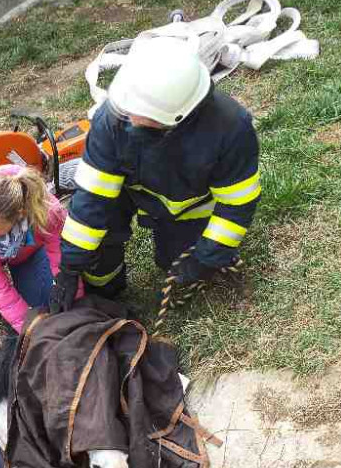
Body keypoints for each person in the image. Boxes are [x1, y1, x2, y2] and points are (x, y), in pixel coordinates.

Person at [49, 36, 261, 313]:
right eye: (128, 109)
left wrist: (206, 257)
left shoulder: (231, 130)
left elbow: (237, 204)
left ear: (179, 116)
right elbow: (92, 197)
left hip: (187, 207)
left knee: (174, 264)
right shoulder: (112, 118)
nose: (130, 119)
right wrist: (70, 266)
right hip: (125, 193)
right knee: (98, 257)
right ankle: (107, 288)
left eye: (143, 115)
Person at [0, 164, 77, 333]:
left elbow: (62, 258)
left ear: (20, 215)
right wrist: (27, 330)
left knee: (41, 301)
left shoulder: (48, 213)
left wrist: (75, 302)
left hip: (26, 254)